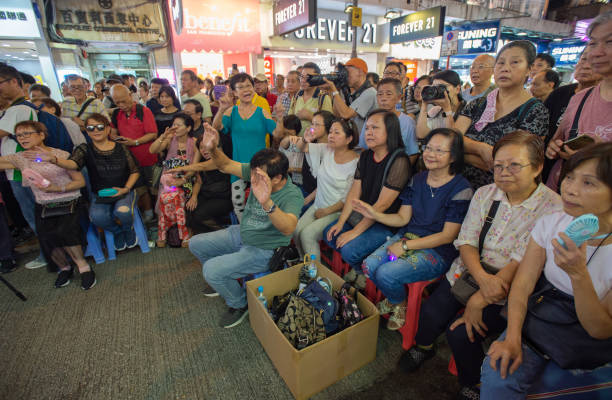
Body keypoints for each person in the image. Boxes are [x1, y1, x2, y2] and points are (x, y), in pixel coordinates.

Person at [398, 130, 563, 400]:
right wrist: (481, 282)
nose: (504, 171)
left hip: (512, 287)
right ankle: (424, 346)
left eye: (514, 165)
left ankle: (472, 383)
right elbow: (466, 240)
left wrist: (482, 298)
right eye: (498, 165)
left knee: (462, 334)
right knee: (432, 313)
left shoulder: (553, 208)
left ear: (538, 167)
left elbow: (524, 261)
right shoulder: (486, 193)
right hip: (471, 272)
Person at [481, 143, 612, 399]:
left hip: (587, 334)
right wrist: (512, 337)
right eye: (570, 177)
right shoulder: (552, 222)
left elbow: (600, 329)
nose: (570, 190)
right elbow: (523, 284)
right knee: (498, 375)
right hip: (545, 311)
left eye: (588, 183)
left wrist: (578, 275)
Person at [189, 124, 303, 328]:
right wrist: (213, 148)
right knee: (195, 243)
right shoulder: (258, 172)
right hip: (242, 234)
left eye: (258, 177)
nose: (252, 179)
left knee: (211, 270)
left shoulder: (292, 195)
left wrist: (267, 202)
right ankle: (224, 281)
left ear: (277, 178)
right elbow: (225, 165)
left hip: (263, 250)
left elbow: (288, 228)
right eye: (252, 173)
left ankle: (239, 303)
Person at [357, 128, 472, 330]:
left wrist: (405, 246)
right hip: (407, 238)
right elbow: (403, 217)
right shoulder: (417, 179)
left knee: (386, 273)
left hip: (436, 251)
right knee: (369, 266)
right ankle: (396, 298)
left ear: (453, 156)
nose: (430, 154)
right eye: (427, 148)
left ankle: (399, 303)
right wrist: (375, 214)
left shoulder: (461, 188)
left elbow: (448, 236)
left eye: (439, 151)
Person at [0, 121, 95, 289]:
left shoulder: (61, 155)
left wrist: (56, 188)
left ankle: (84, 267)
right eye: (19, 135)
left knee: (66, 234)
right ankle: (64, 268)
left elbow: (79, 182)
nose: (23, 138)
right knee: (46, 239)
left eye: (27, 133)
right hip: (43, 204)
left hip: (68, 200)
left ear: (41, 135)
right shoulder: (20, 158)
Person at [323, 109, 412, 289]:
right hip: (363, 215)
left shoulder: (399, 160)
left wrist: (355, 232)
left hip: (384, 222)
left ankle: (364, 272)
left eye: (375, 128)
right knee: (330, 234)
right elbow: (354, 193)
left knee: (349, 248)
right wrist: (341, 222)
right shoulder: (365, 156)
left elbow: (382, 205)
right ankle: (360, 268)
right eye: (367, 128)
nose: (369, 132)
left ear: (390, 131)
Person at [34, 113, 140, 252]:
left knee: (123, 212)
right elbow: (73, 164)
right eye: (90, 128)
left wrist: (126, 189)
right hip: (100, 195)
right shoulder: (84, 149)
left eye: (100, 127)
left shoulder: (121, 148)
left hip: (125, 191)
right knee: (97, 217)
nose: (96, 130)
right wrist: (54, 160)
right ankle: (117, 232)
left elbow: (134, 171)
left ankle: (128, 229)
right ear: (87, 131)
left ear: (108, 129)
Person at [454, 40, 550, 189]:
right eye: (501, 63)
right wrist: (481, 148)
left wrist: (462, 153)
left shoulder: (535, 111)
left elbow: (511, 164)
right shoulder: (477, 104)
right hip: (459, 187)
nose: (505, 68)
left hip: (499, 193)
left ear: (528, 70)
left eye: (515, 62)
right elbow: (452, 139)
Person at [545, 12, 612, 192]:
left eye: (609, 42)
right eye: (593, 43)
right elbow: (557, 141)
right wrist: (555, 148)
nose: (597, 52)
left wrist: (602, 156)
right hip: (561, 198)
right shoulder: (579, 98)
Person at [0, 63, 48, 270]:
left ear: (13, 82)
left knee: (34, 214)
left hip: (23, 172)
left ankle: (49, 254)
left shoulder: (18, 109)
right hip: (21, 170)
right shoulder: (18, 108)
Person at [290, 117, 359, 259]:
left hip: (337, 210)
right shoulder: (327, 149)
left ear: (349, 139)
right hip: (319, 204)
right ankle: (305, 264)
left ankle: (316, 275)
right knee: (296, 230)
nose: (331, 135)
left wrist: (326, 211)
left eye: (337, 132)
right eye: (331, 132)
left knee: (307, 235)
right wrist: (305, 139)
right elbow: (301, 147)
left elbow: (348, 198)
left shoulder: (355, 163)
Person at [212, 73, 277, 220]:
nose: (246, 89)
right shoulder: (231, 111)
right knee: (238, 202)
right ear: (234, 92)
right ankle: (244, 231)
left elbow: (277, 133)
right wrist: (221, 109)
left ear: (253, 88)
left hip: (260, 167)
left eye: (248, 85)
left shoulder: (263, 112)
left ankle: (262, 234)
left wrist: (279, 118)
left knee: (262, 202)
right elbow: (216, 127)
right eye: (240, 87)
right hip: (238, 166)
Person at [149, 113, 199, 247]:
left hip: (187, 179)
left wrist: (183, 179)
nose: (175, 127)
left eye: (178, 125)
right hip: (168, 180)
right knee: (167, 195)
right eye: (173, 124)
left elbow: (194, 167)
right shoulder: (170, 139)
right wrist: (163, 136)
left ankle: (185, 230)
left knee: (180, 197)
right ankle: (164, 232)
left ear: (188, 128)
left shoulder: (194, 143)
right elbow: (152, 150)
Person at [110, 84, 158, 222]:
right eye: (117, 102)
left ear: (130, 96)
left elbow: (153, 134)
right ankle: (147, 214)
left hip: (148, 158)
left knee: (153, 189)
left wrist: (135, 142)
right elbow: (113, 132)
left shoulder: (144, 111)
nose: (121, 105)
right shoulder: (116, 114)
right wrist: (116, 138)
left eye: (123, 101)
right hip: (129, 160)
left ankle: (158, 215)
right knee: (139, 189)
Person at [179, 133, 233, 235]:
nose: (204, 151)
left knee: (200, 214)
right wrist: (194, 196)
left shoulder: (222, 160)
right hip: (207, 194)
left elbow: (203, 166)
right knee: (189, 209)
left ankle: (223, 233)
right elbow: (199, 182)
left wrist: (180, 169)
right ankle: (206, 236)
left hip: (223, 197)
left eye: (206, 147)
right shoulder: (202, 161)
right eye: (201, 148)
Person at [543, 50, 602, 143]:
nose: (585, 66)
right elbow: (542, 127)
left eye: (593, 62)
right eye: (583, 59)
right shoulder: (560, 93)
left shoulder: (604, 100)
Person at [359, 78, 419, 161]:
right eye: (380, 94)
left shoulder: (408, 122)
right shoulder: (370, 119)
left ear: (399, 97)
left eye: (388, 94)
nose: (383, 98)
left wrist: (401, 170)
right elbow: (364, 147)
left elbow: (412, 153)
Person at [323, 57, 378, 134]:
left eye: (347, 72)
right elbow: (338, 114)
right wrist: (336, 89)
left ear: (360, 72)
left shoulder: (370, 93)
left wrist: (334, 90)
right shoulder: (356, 93)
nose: (346, 76)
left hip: (366, 142)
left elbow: (346, 114)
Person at [416, 70, 466, 140]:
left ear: (457, 89)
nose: (437, 91)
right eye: (434, 87)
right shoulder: (436, 110)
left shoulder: (466, 110)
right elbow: (421, 135)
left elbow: (452, 139)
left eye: (442, 87)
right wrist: (424, 104)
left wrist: (447, 110)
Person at [289, 63, 333, 136]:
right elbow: (289, 121)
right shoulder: (296, 96)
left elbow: (328, 125)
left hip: (315, 143)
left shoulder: (323, 98)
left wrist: (310, 117)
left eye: (308, 77)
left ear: (317, 79)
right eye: (302, 77)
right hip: (297, 142)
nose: (303, 80)